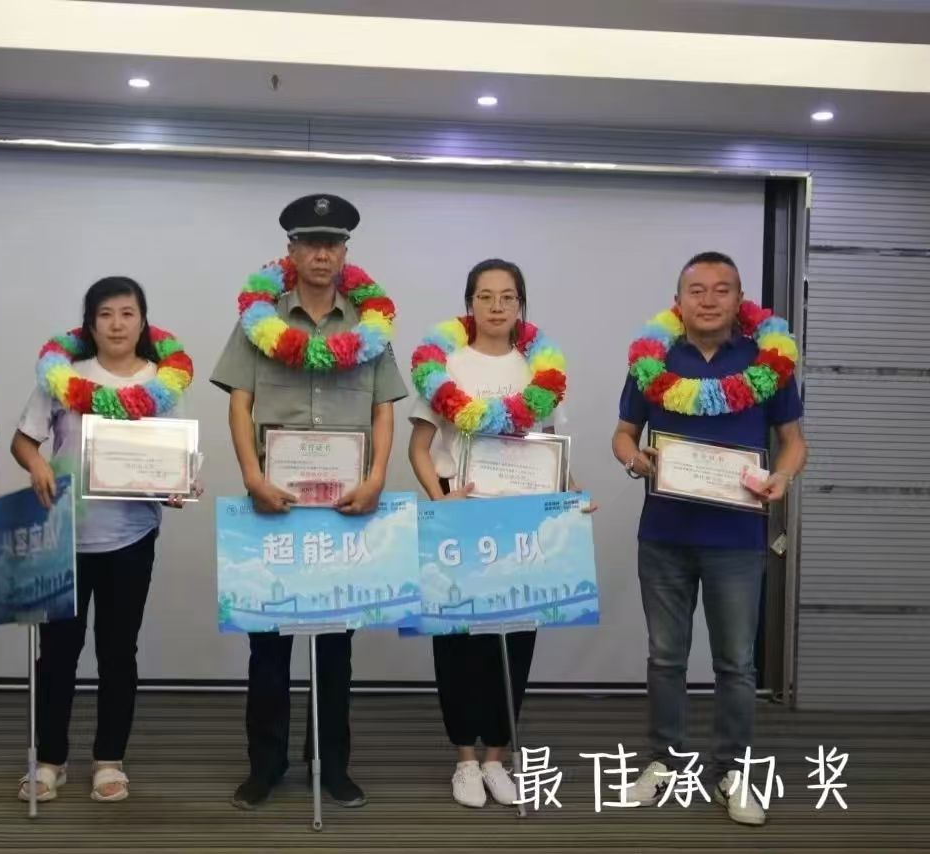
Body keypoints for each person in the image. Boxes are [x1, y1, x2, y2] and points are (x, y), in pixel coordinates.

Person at [211, 193, 407, 810]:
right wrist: (251, 476)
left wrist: (377, 478)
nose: (322, 253)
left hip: (346, 507)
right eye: (310, 243)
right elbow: (239, 403)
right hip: (273, 504)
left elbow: (383, 409)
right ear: (291, 252)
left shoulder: (370, 325)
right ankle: (264, 766)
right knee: (268, 647)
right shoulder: (258, 320)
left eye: (333, 243)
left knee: (335, 648)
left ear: (345, 253)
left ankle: (332, 764)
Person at [613, 251, 807, 826]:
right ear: (678, 301)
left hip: (737, 538)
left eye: (722, 289)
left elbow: (794, 442)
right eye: (696, 289)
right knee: (665, 657)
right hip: (664, 535)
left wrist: (782, 477)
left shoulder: (766, 361)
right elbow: (623, 435)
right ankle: (664, 762)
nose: (708, 299)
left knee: (736, 664)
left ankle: (733, 772)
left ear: (739, 300)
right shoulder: (653, 359)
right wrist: (636, 460)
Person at [408, 258, 588, 808]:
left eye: (507, 297)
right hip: (460, 513)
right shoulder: (445, 363)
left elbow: (550, 451)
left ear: (520, 305)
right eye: (485, 296)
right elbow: (420, 448)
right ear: (470, 304)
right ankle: (465, 760)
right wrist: (440, 501)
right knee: (458, 640)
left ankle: (497, 758)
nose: (496, 307)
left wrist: (571, 497)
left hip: (522, 519)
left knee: (515, 639)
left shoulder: (539, 368)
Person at [11, 276, 196, 804]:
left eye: (127, 313)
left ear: (143, 322)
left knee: (118, 652)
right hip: (64, 534)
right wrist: (37, 465)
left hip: (130, 538)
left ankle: (109, 759)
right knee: (57, 654)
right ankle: (49, 761)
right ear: (90, 325)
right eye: (106, 314)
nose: (117, 324)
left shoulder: (162, 382)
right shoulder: (63, 376)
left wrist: (179, 485)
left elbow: (171, 459)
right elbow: (23, 441)